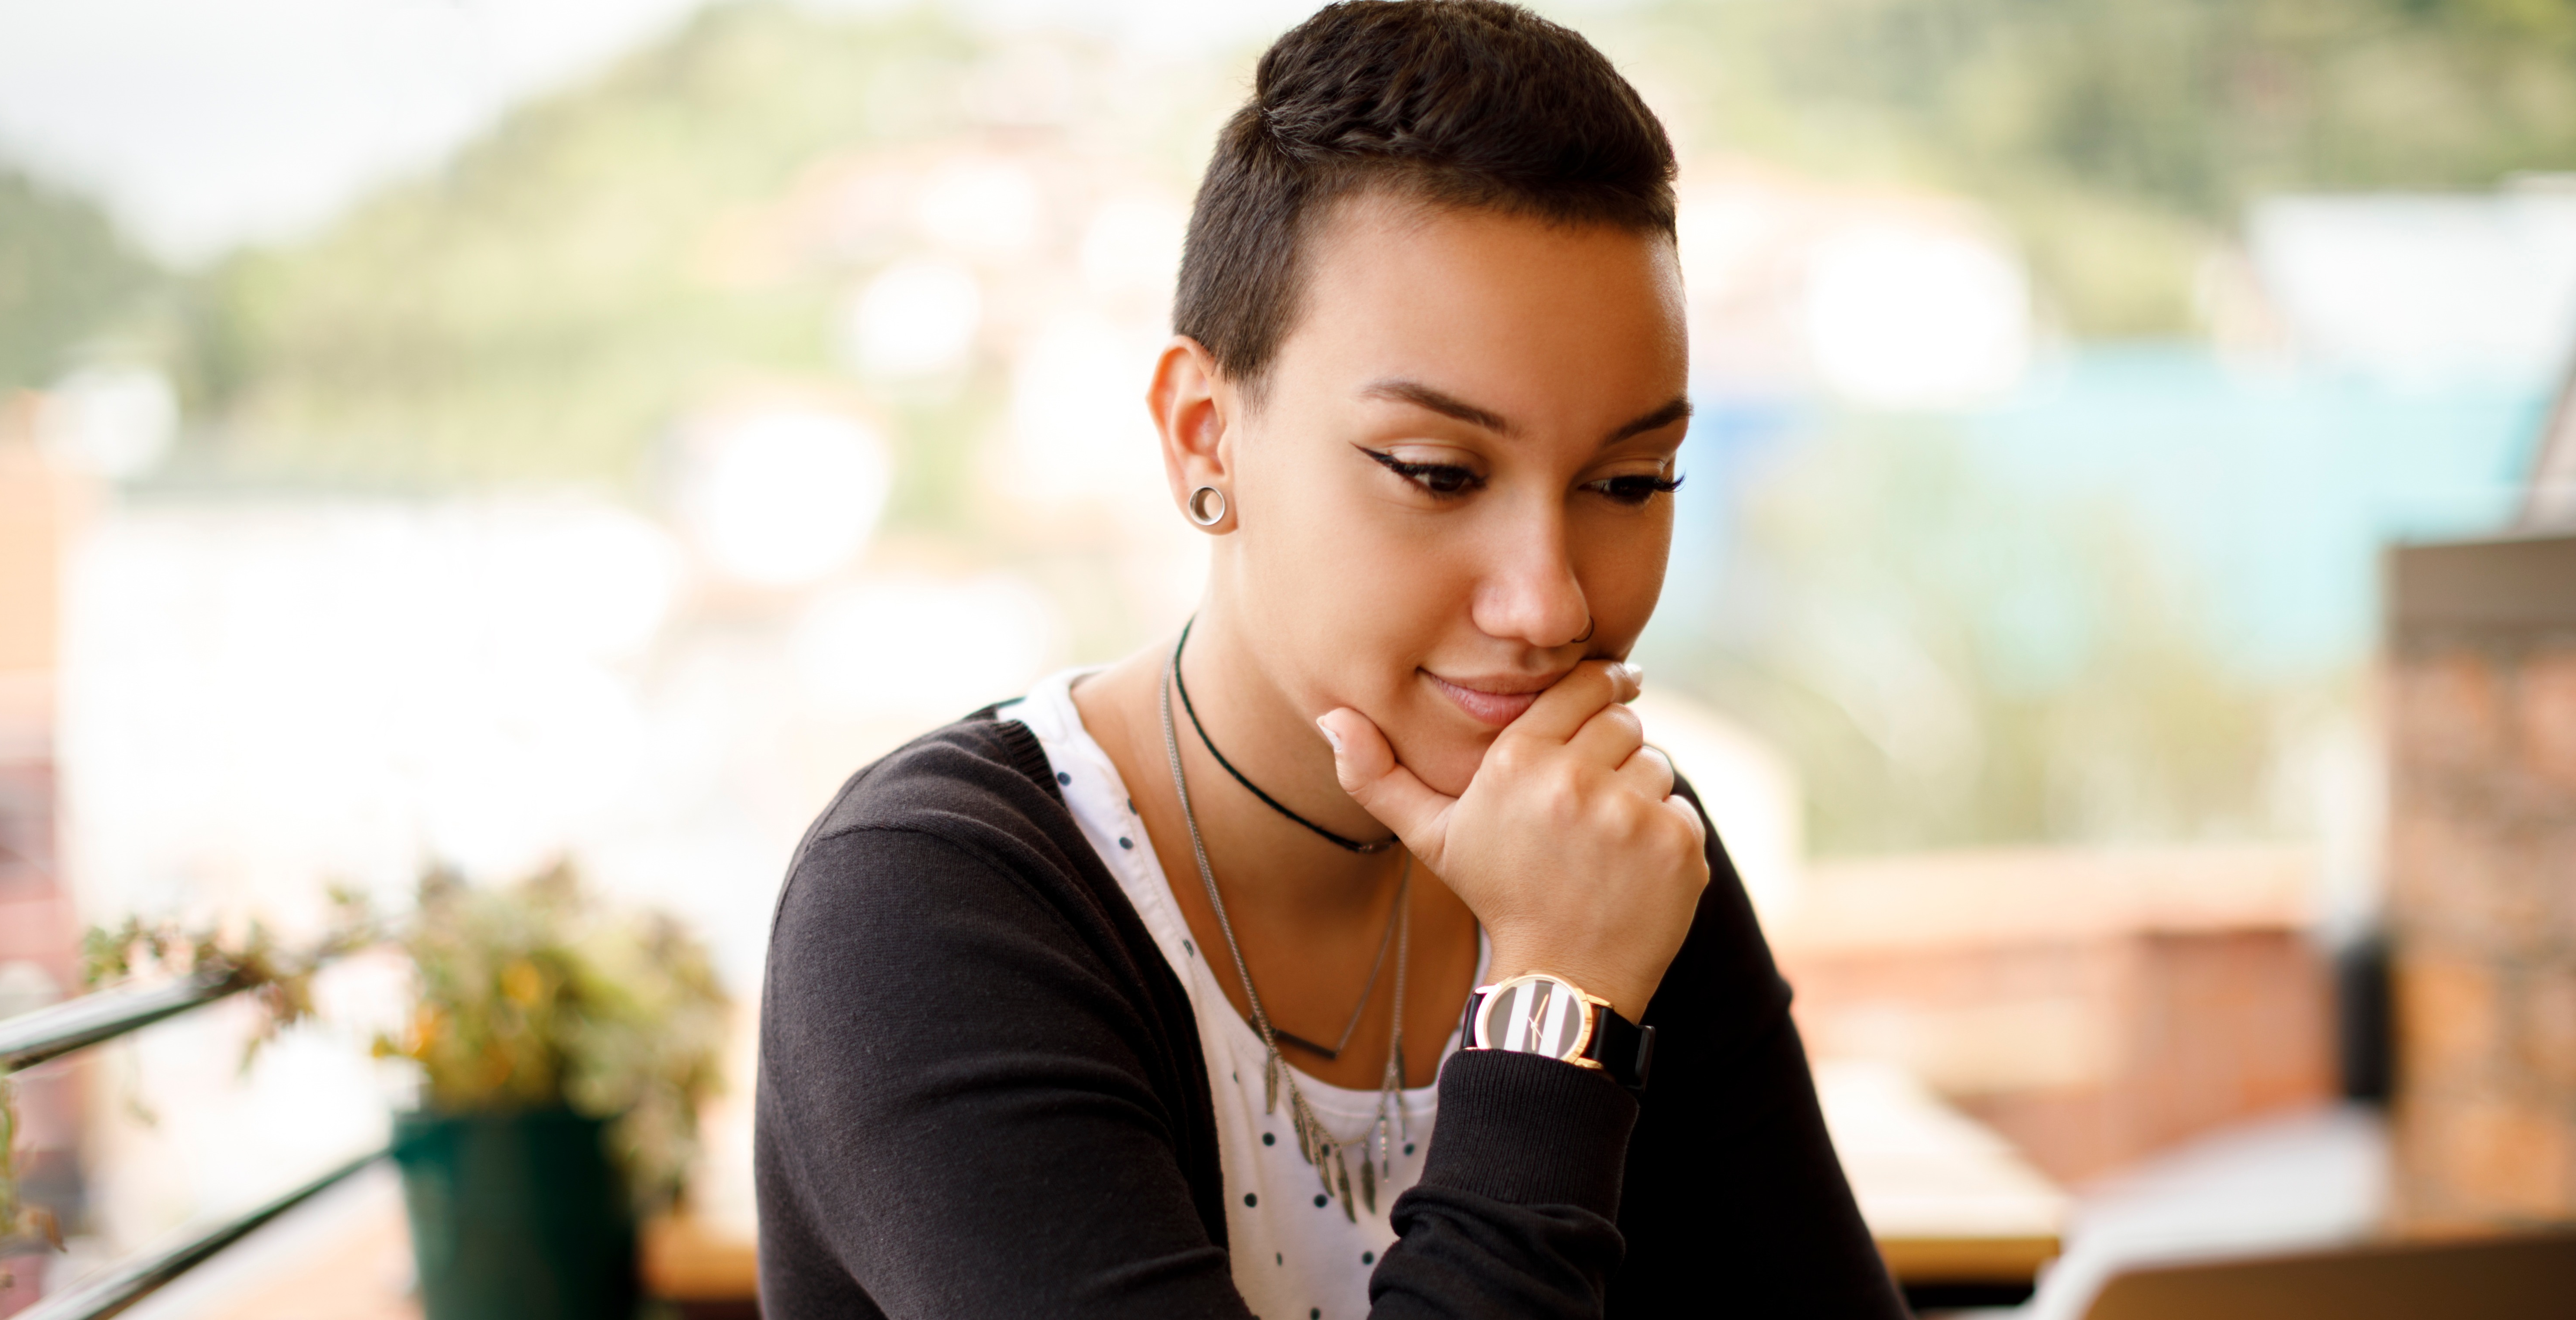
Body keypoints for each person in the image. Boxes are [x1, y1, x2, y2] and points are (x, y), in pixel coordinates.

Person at [756, 3, 1906, 1316]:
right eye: (1438, 472)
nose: (1548, 603)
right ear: (1204, 436)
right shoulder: (924, 907)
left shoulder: (1605, 859)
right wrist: (1556, 1012)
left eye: (1631, 481)